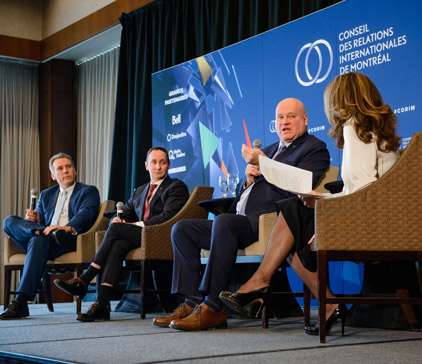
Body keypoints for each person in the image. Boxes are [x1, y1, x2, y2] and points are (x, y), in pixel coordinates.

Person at [219, 72, 401, 336]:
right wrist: (323, 201)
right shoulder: (374, 131)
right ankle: (305, 296)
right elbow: (367, 190)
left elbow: (361, 192)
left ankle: (262, 282)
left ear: (341, 101)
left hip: (371, 223)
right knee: (295, 215)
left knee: (293, 213)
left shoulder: (354, 128)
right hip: (384, 217)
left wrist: (328, 216)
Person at [153, 98, 330, 331]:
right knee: (183, 229)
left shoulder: (314, 148)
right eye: (280, 117)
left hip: (267, 223)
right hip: (238, 220)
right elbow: (246, 193)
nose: (284, 122)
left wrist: (265, 165)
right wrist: (246, 181)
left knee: (224, 222)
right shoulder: (268, 151)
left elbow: (301, 185)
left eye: (291, 117)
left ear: (305, 120)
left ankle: (213, 307)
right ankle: (192, 302)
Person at [54, 146, 189, 322]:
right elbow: (125, 213)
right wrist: (117, 221)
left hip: (160, 237)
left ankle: (85, 279)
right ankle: (102, 304)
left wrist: (132, 225)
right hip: (140, 237)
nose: (158, 166)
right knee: (116, 242)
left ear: (169, 165)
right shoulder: (140, 191)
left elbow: (168, 217)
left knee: (117, 230)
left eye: (162, 162)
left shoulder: (176, 186)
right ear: (146, 165)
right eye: (154, 162)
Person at [1, 153, 100, 320]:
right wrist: (35, 222)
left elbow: (86, 214)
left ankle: (21, 302)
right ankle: (38, 231)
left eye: (68, 167)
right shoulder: (46, 195)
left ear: (75, 171)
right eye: (60, 168)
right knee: (9, 221)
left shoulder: (88, 191)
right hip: (44, 239)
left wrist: (65, 228)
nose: (66, 171)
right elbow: (43, 219)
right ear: (54, 175)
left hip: (66, 241)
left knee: (38, 239)